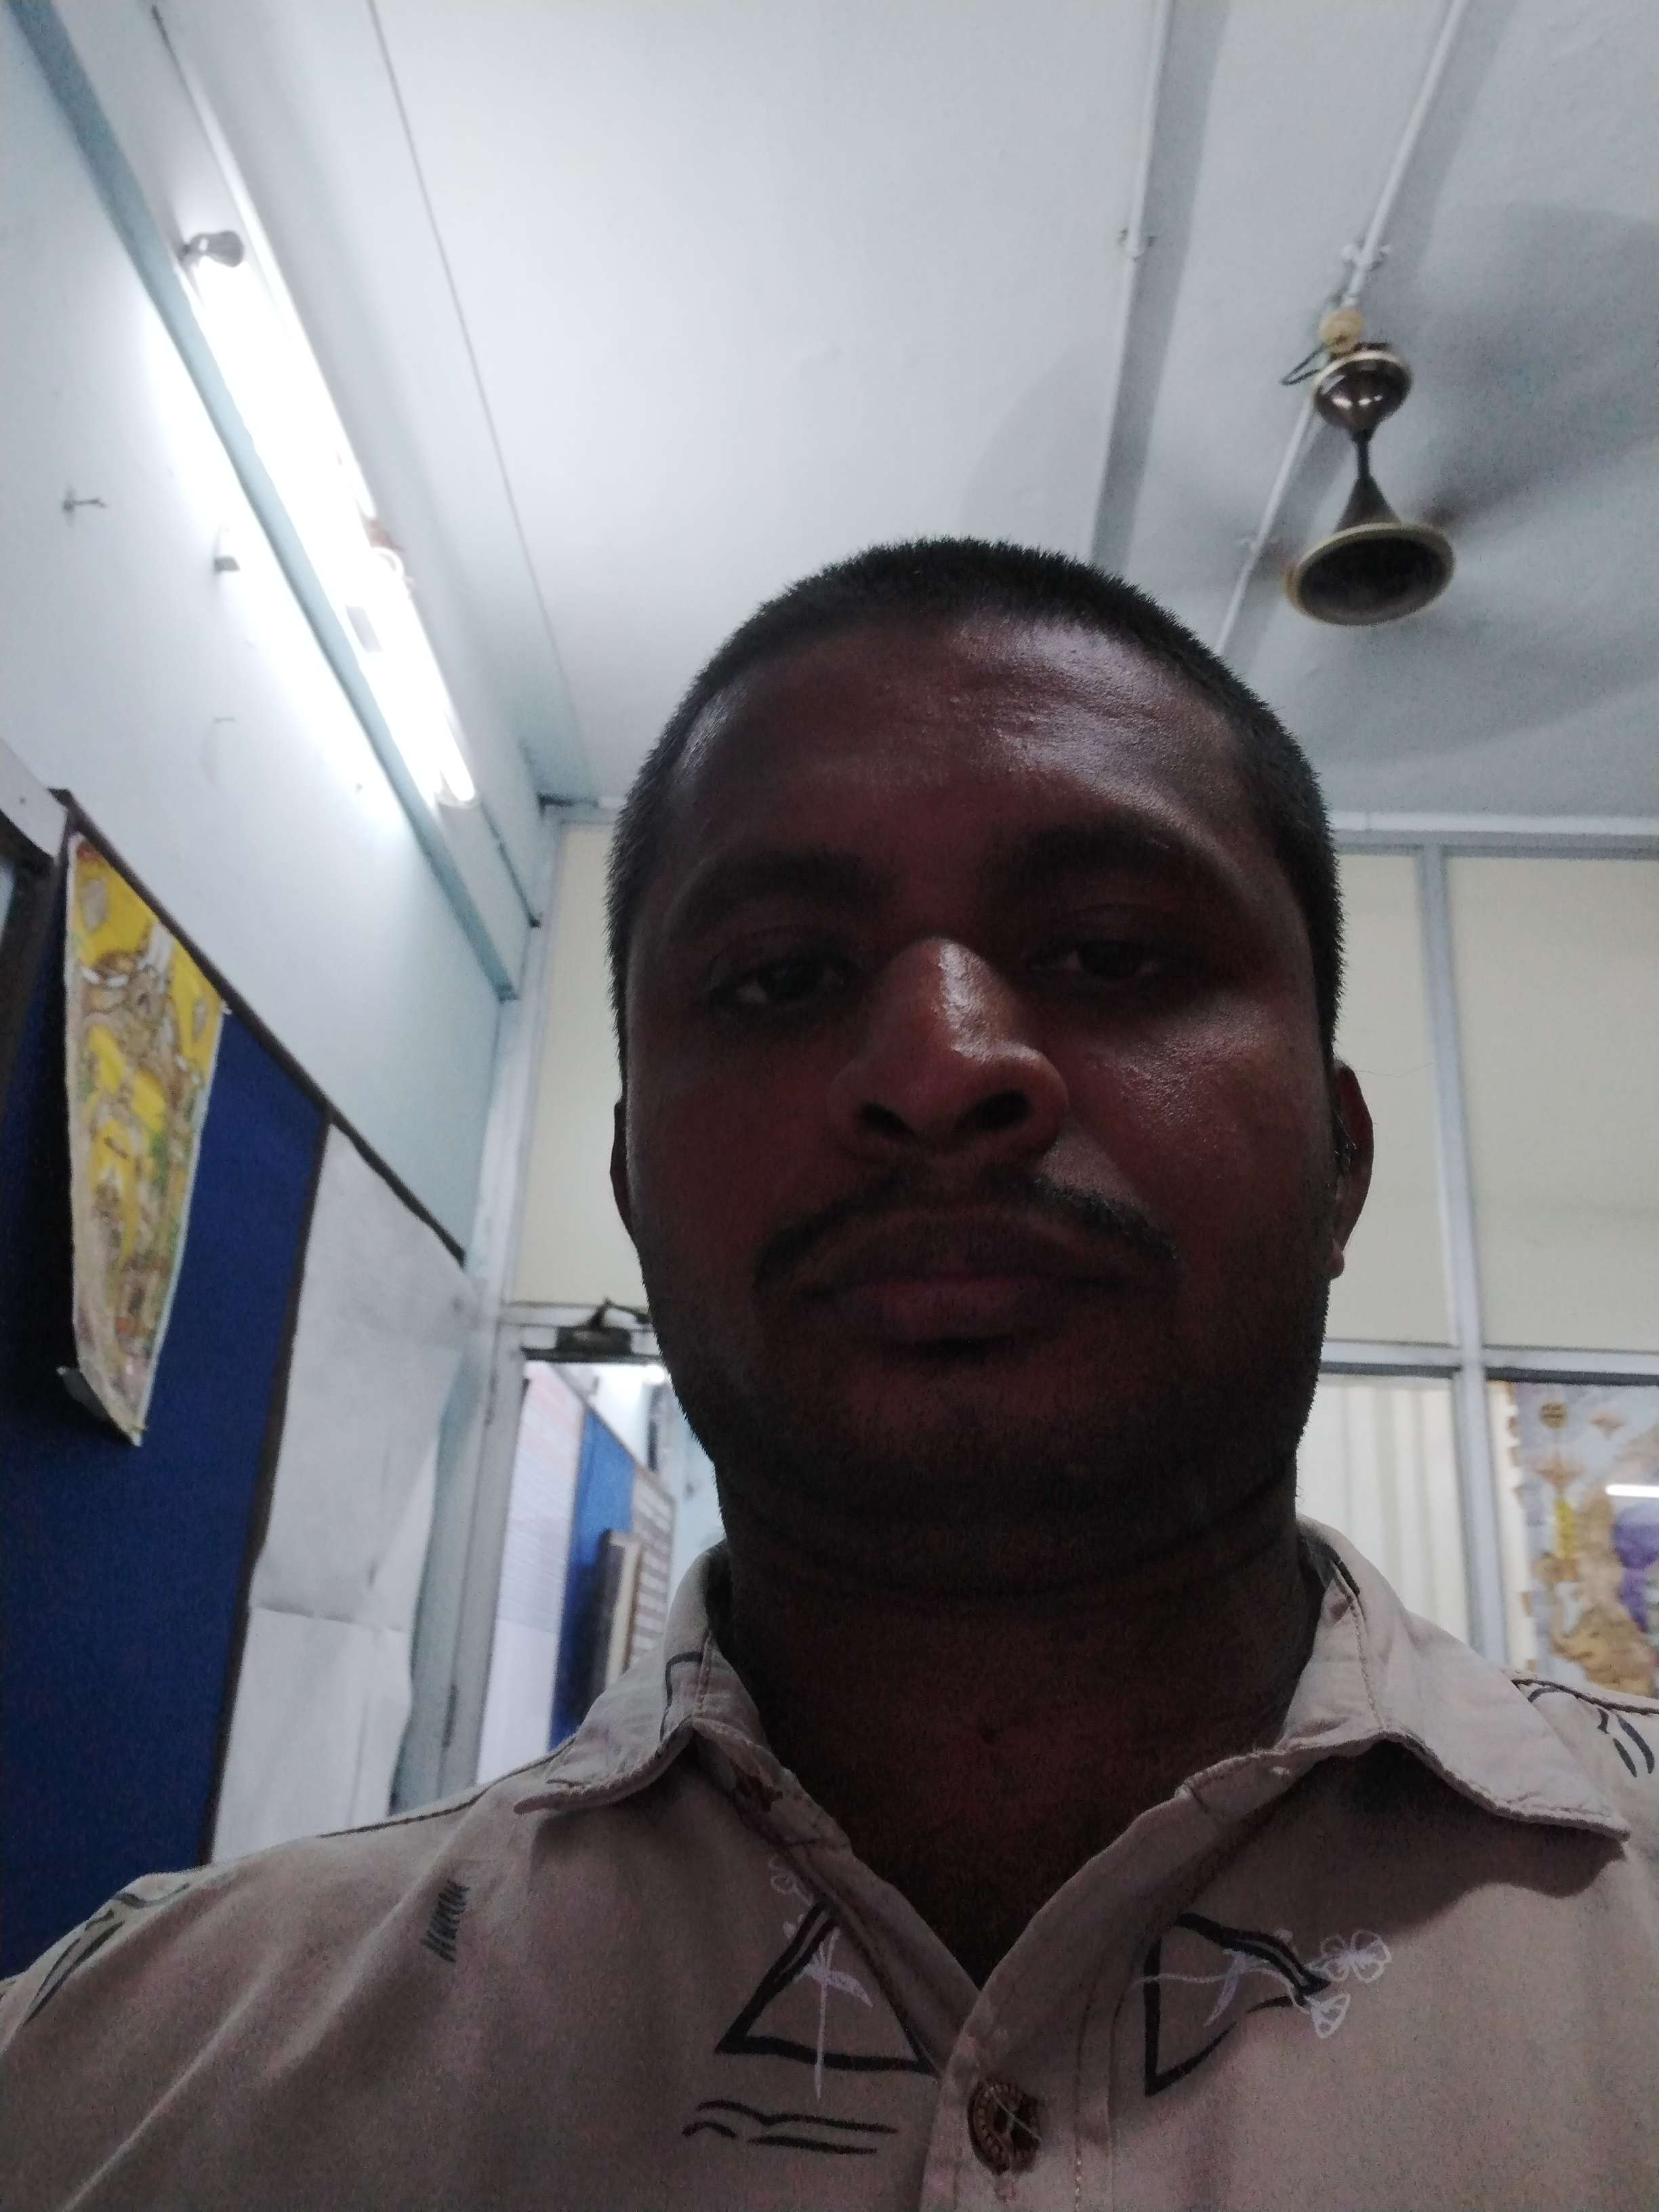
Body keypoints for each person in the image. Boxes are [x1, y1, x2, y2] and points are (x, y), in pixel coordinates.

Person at [3, 539, 1656, 2209]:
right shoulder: (111, 2093)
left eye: (1110, 952)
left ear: (1342, 1158)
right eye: (783, 978)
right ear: (632, 1185)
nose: (942, 1064)